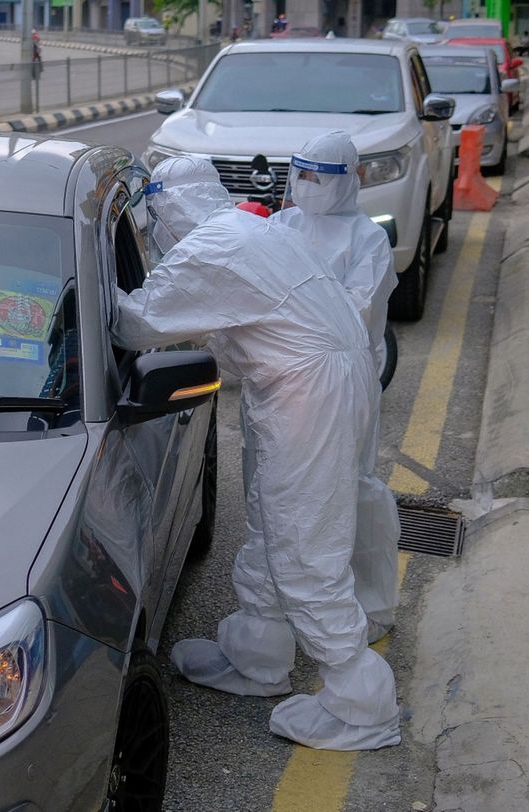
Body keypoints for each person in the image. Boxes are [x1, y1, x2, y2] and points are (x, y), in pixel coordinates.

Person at [116, 158, 399, 751]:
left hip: (308, 390)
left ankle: (362, 704)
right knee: (274, 522)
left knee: (304, 542)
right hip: (323, 379)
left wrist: (55, 294)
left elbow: (136, 326)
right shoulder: (252, 229)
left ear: (168, 212)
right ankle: (257, 654)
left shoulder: (213, 243)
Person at [274, 132, 398, 641]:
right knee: (280, 496)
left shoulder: (366, 238)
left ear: (351, 179)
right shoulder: (283, 225)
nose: (309, 186)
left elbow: (354, 313)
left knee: (341, 493)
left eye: (320, 176)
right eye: (301, 173)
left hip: (340, 385)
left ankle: (356, 612)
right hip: (280, 384)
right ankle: (286, 608)